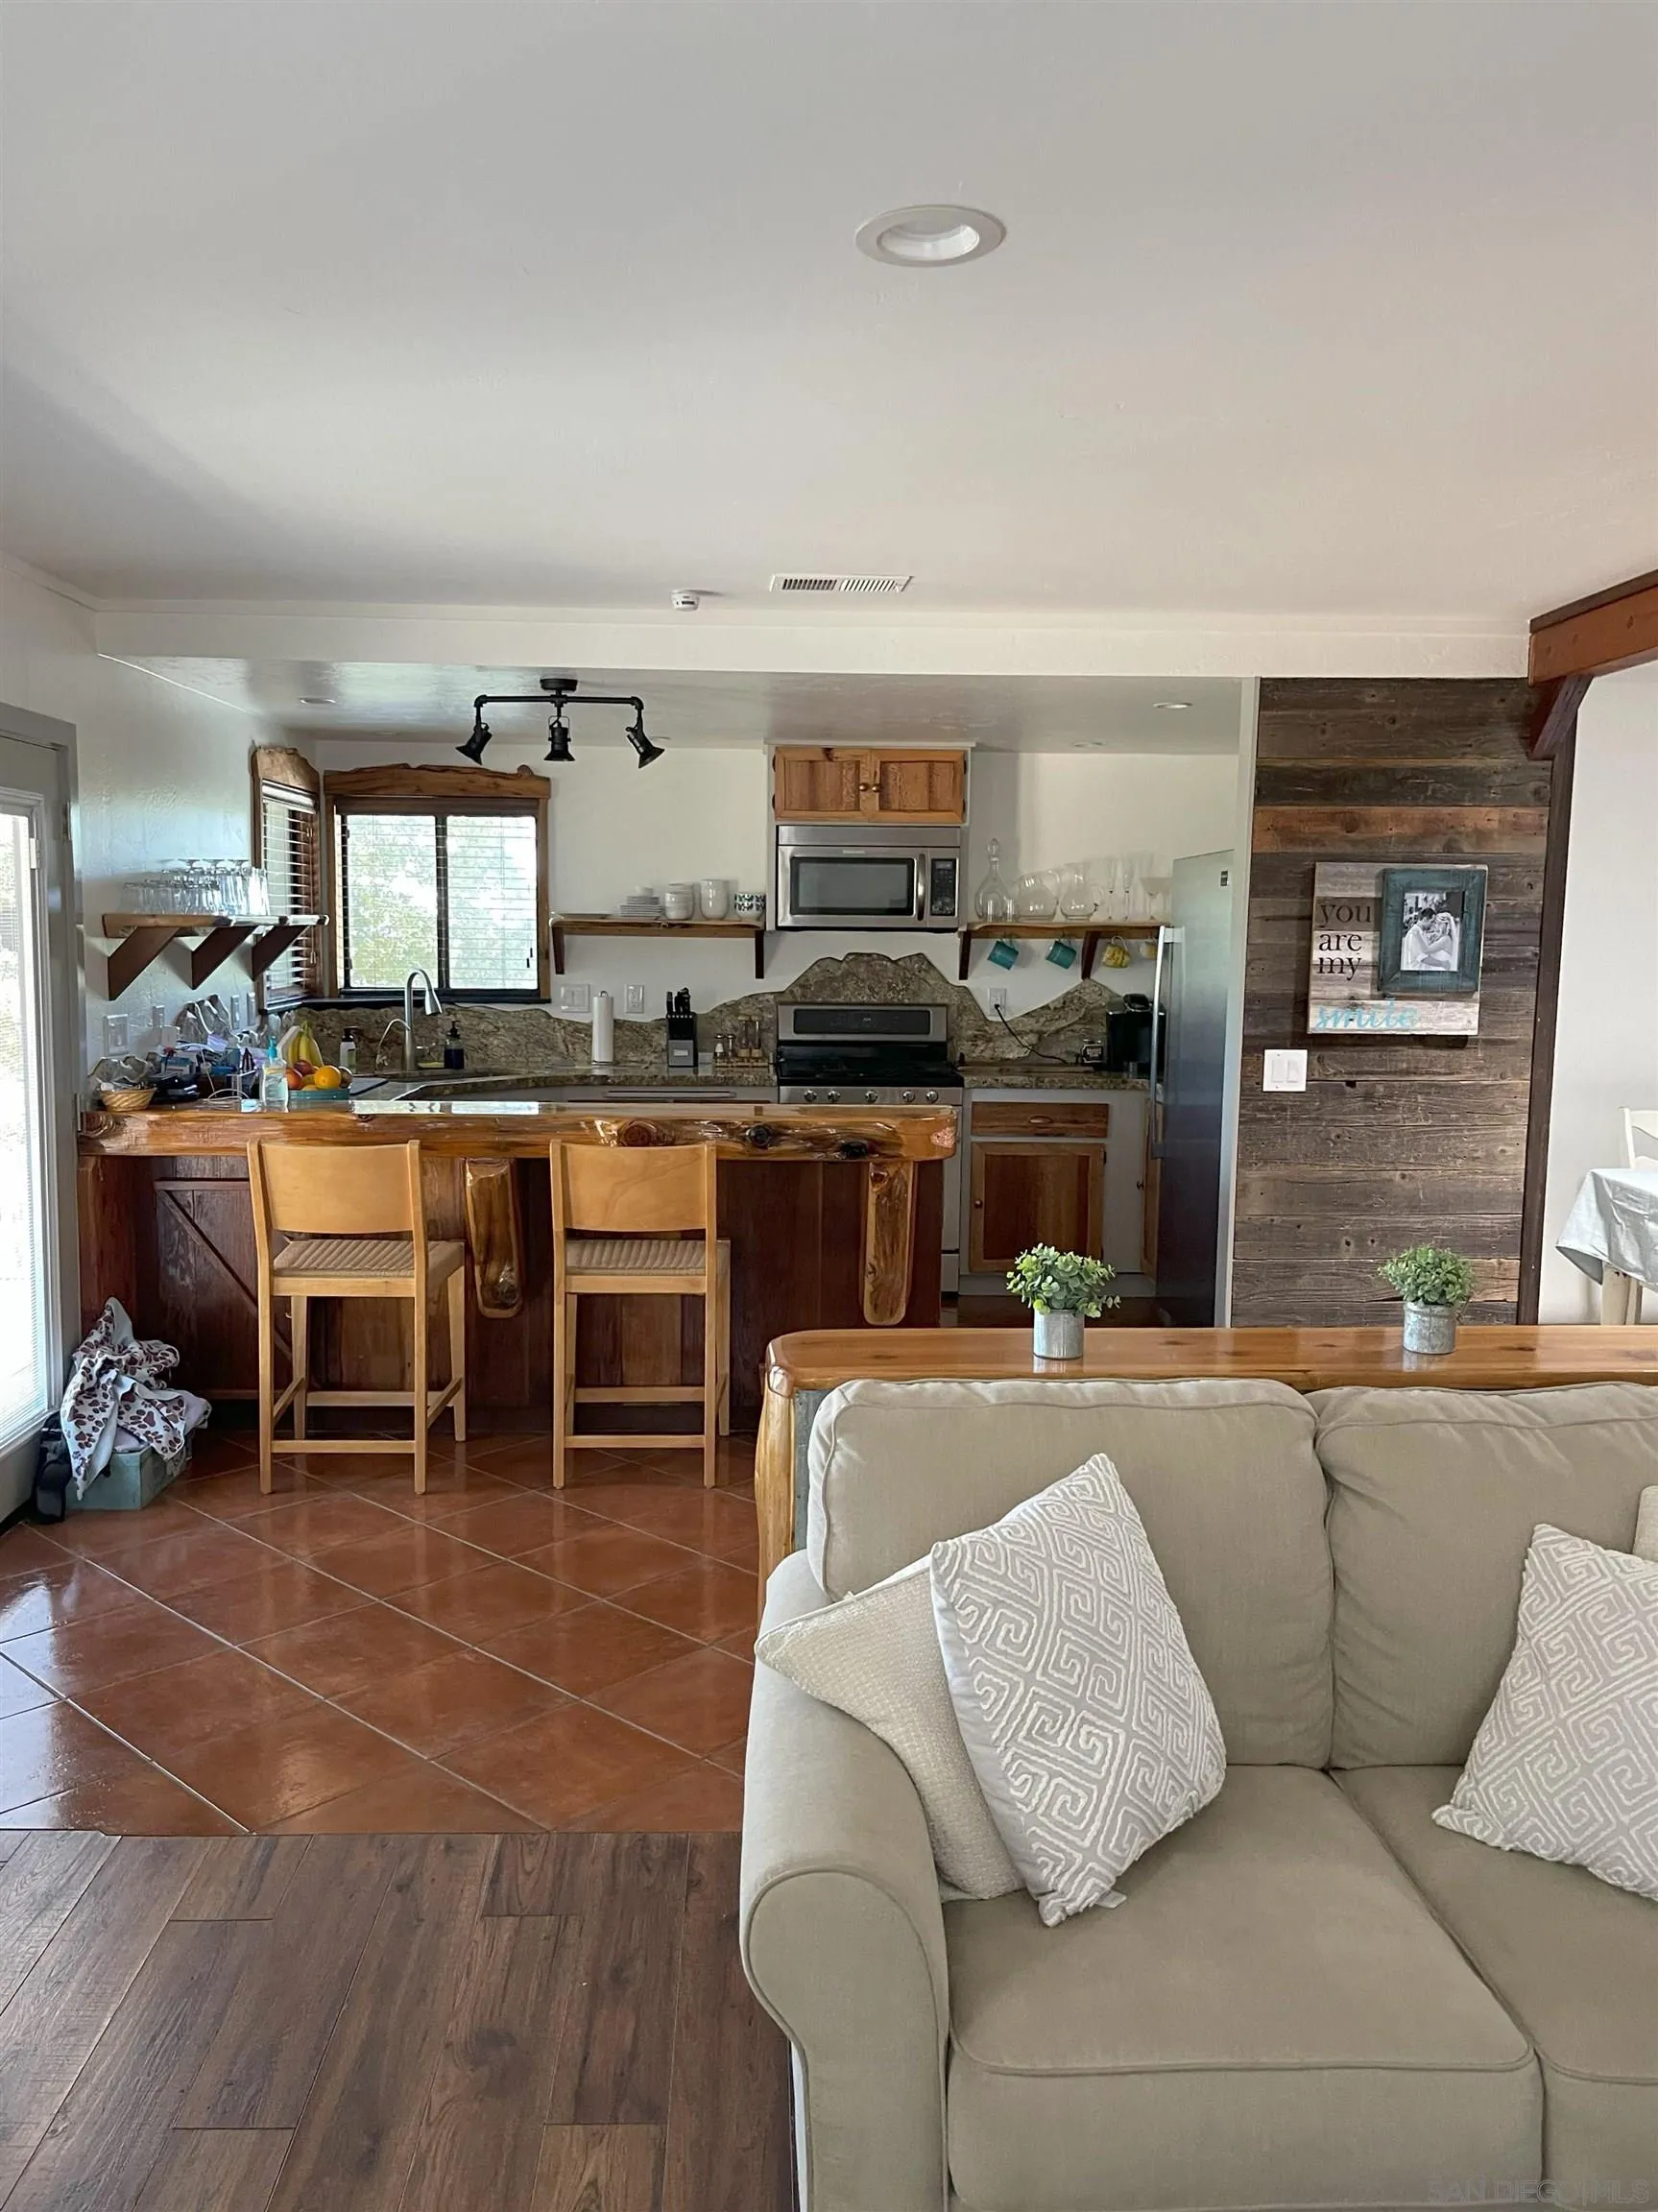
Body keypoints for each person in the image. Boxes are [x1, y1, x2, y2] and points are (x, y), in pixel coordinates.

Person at [1401, 902, 1459, 972]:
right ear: (1425, 919)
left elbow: (1427, 950)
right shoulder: (1414, 933)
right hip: (1416, 970)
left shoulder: (1422, 933)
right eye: (1432, 922)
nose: (1433, 926)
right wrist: (1443, 964)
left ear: (1444, 925)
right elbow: (1423, 957)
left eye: (1436, 923)